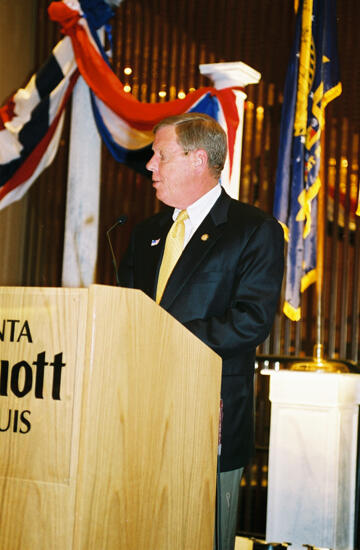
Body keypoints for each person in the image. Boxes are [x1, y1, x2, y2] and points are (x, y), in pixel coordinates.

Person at [118, 112, 284, 549]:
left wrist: (163, 337)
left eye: (160, 155)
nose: (150, 166)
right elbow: (125, 313)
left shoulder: (254, 231)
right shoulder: (144, 233)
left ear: (197, 161)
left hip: (209, 418)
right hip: (133, 416)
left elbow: (250, 320)